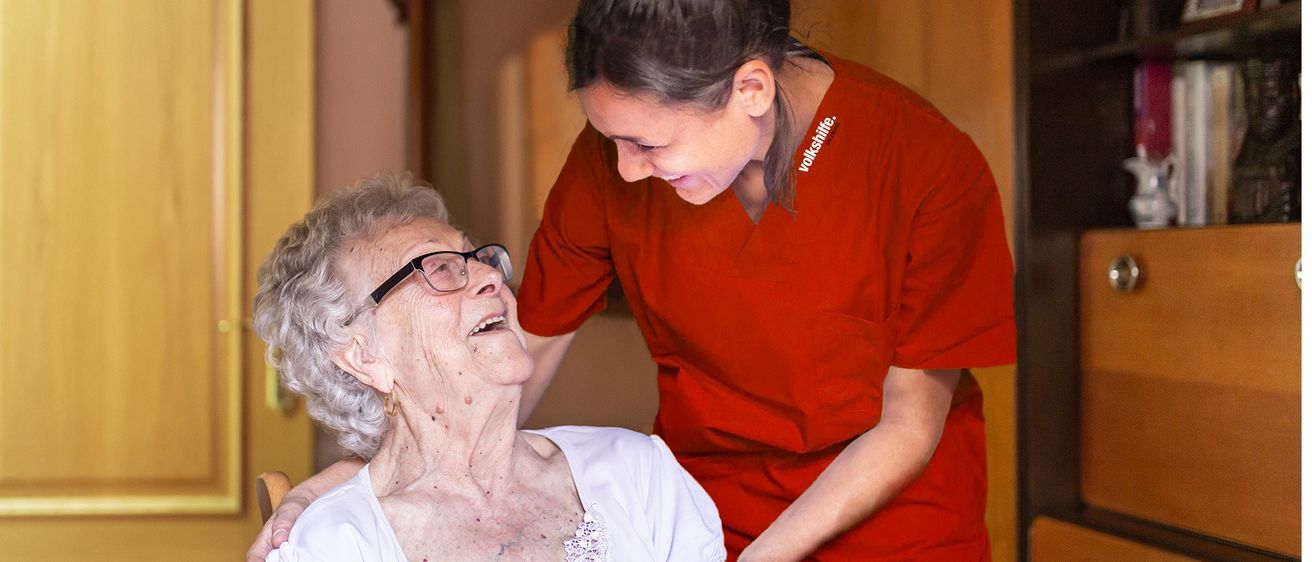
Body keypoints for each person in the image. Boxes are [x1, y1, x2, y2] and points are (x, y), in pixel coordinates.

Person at [254, 0, 1015, 559]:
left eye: (646, 143)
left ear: (751, 91)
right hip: (703, 508)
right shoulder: (613, 160)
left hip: (894, 521)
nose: (623, 169)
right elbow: (519, 349)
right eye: (607, 137)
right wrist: (372, 476)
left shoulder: (925, 167)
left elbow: (909, 425)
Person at [249, 173, 726, 562]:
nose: (491, 276)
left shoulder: (637, 473)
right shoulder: (334, 546)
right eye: (437, 269)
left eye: (478, 258)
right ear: (364, 357)